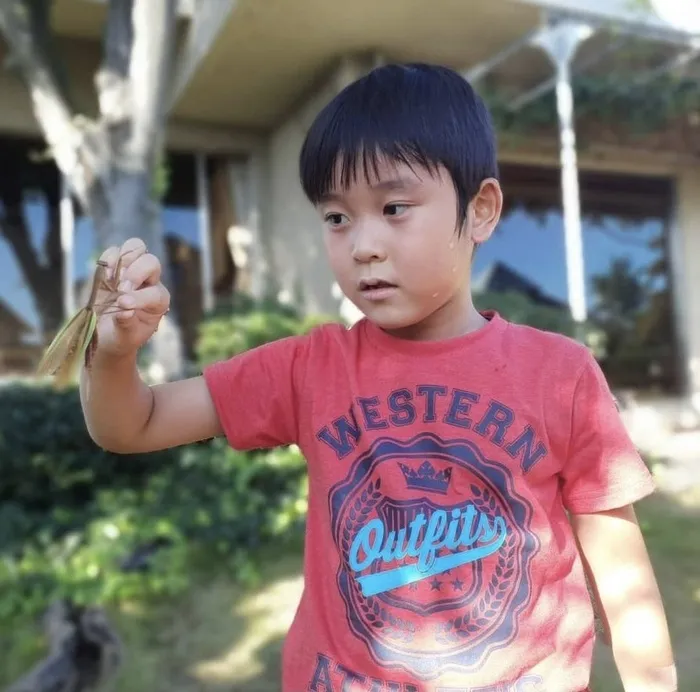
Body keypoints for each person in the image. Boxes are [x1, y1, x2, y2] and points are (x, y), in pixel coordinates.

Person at [79, 63, 676, 692]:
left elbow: (620, 570)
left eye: (394, 208)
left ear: (479, 210)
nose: (363, 244)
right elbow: (132, 424)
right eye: (337, 218)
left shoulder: (560, 374)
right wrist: (114, 353)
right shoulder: (308, 369)